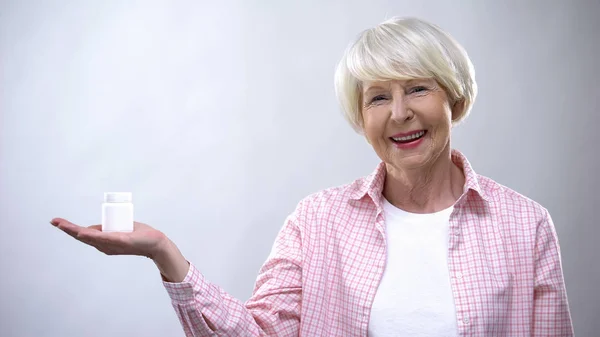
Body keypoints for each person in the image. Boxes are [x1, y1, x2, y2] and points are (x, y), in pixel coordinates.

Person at [50, 16, 574, 336]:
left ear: (453, 97)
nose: (399, 114)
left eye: (417, 89)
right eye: (377, 98)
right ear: (361, 117)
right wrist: (166, 254)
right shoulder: (317, 220)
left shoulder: (524, 224)